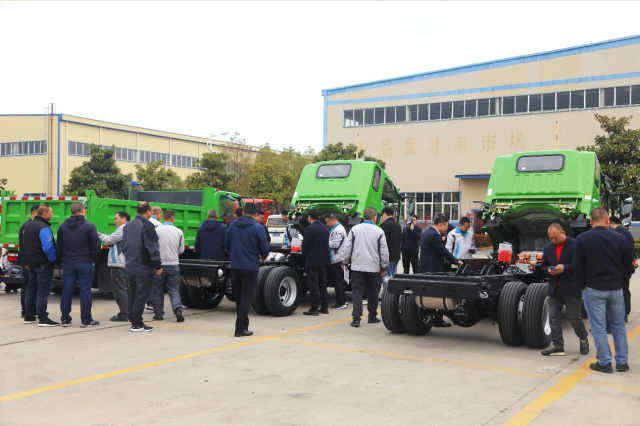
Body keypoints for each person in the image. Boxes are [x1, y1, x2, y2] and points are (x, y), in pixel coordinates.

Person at [574, 208, 633, 373]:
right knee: (618, 325)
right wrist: (622, 281)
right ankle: (622, 362)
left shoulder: (583, 239)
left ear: (590, 221)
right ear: (608, 220)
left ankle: (605, 362)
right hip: (616, 288)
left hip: (593, 288)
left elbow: (578, 266)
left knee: (598, 326)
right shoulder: (621, 238)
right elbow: (628, 265)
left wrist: (581, 285)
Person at [539, 223, 589, 356]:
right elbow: (542, 266)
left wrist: (565, 268)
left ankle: (583, 338)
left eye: (555, 237)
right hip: (554, 288)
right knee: (554, 318)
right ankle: (558, 346)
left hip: (571, 287)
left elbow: (581, 265)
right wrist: (548, 270)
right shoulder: (548, 247)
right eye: (550, 238)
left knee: (574, 317)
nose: (553, 240)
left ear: (563, 233)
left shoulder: (575, 244)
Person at [337, 207, 389, 328]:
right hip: (373, 267)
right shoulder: (379, 231)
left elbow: (347, 247)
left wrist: (344, 262)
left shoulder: (355, 229)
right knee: (373, 292)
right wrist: (383, 266)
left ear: (363, 217)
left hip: (357, 267)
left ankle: (356, 319)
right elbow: (384, 251)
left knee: (357, 293)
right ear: (375, 218)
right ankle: (372, 316)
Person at [224, 202, 269, 337]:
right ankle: (239, 329)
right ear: (255, 214)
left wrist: (234, 254)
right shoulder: (258, 228)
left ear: (243, 212)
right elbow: (264, 249)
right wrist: (262, 257)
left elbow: (226, 245)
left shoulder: (232, 225)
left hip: (235, 266)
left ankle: (244, 325)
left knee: (239, 297)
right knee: (246, 298)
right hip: (250, 266)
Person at [57, 202, 102, 327]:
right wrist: (94, 260)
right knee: (85, 291)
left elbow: (59, 246)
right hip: (85, 262)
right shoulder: (89, 226)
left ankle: (65, 319)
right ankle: (86, 320)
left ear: (71, 212)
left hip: (68, 263)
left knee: (67, 291)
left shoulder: (62, 226)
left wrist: (63, 259)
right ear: (83, 211)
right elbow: (96, 245)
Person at [122, 202, 163, 332]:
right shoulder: (147, 225)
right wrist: (158, 265)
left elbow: (123, 246)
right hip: (143, 267)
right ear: (148, 212)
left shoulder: (128, 226)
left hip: (130, 265)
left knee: (132, 294)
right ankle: (137, 324)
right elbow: (153, 248)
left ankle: (133, 319)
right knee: (141, 296)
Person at [419, 215, 463, 327]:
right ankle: (437, 320)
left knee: (429, 295)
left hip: (425, 268)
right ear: (441, 224)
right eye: (446, 227)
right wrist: (456, 261)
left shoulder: (427, 232)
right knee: (437, 294)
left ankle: (434, 318)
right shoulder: (434, 235)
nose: (446, 230)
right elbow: (443, 251)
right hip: (432, 269)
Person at [23, 205, 59, 327]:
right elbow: (48, 247)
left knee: (31, 289)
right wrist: (53, 259)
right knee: (43, 291)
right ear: (44, 213)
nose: (52, 215)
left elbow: (25, 245)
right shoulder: (44, 227)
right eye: (51, 212)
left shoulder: (28, 226)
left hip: (32, 263)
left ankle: (28, 316)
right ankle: (43, 318)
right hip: (43, 263)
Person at [151, 210, 185, 322]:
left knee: (157, 289)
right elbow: (181, 249)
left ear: (163, 218)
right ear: (173, 219)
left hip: (159, 265)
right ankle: (178, 310)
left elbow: (153, 247)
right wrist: (173, 254)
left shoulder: (156, 230)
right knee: (173, 289)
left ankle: (158, 314)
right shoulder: (179, 231)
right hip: (174, 264)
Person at [99, 211, 131, 322]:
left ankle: (124, 314)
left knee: (120, 290)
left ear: (124, 219)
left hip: (119, 263)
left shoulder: (123, 228)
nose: (114, 221)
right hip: (126, 263)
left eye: (116, 218)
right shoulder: (129, 229)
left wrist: (98, 234)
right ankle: (129, 312)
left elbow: (110, 240)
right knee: (126, 289)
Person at [301, 209, 331, 316]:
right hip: (324, 260)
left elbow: (305, 246)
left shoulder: (309, 229)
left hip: (313, 261)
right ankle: (324, 307)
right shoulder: (325, 228)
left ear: (309, 217)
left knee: (313, 285)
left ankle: (314, 308)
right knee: (323, 284)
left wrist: (305, 258)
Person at [610, 216, 637, 322]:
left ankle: (623, 314)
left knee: (622, 290)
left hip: (623, 267)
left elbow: (625, 250)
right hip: (627, 266)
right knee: (624, 289)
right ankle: (624, 313)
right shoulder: (625, 231)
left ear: (612, 223)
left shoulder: (618, 232)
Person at [18, 205, 39, 318]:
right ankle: (25, 310)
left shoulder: (34, 225)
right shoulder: (26, 226)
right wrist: (26, 262)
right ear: (33, 214)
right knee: (27, 285)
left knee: (34, 285)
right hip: (27, 261)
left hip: (33, 261)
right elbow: (23, 246)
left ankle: (33, 308)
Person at [325, 213, 347, 310]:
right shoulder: (338, 229)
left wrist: (323, 242)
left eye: (327, 222)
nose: (327, 224)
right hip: (338, 258)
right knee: (340, 281)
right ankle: (343, 300)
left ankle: (340, 302)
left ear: (333, 220)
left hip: (336, 259)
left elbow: (335, 244)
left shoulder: (338, 230)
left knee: (337, 281)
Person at [380, 207, 402, 287]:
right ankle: (394, 292)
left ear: (385, 215)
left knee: (387, 278)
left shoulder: (386, 225)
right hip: (396, 255)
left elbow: (383, 242)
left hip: (388, 256)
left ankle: (388, 293)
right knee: (393, 276)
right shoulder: (398, 225)